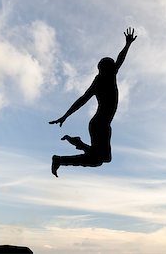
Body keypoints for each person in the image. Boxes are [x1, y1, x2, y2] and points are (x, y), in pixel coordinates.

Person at [49, 27, 137, 177]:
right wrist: (65, 116)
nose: (113, 68)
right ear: (104, 69)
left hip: (102, 124)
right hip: (99, 124)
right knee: (102, 158)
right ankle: (74, 147)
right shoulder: (103, 80)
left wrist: (128, 44)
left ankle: (64, 155)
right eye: (110, 67)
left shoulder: (106, 77)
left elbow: (119, 60)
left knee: (99, 160)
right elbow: (81, 100)